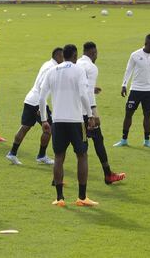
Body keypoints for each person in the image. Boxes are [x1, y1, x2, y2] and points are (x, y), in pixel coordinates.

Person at [39, 44, 98, 207]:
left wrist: (44, 119)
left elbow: (42, 97)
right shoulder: (78, 70)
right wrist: (90, 115)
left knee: (59, 157)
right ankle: (81, 197)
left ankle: (59, 198)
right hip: (75, 121)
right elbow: (83, 94)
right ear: (75, 55)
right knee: (82, 155)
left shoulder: (52, 71)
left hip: (57, 121)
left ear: (63, 55)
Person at [77, 42, 126, 184]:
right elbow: (86, 92)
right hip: (85, 112)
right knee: (98, 140)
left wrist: (92, 89)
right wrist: (93, 113)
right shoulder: (92, 67)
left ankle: (57, 179)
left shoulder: (78, 63)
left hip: (71, 111)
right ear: (93, 53)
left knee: (70, 142)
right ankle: (108, 174)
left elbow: (81, 87)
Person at [6, 48, 64, 165]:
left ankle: (12, 153)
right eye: (63, 57)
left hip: (30, 99)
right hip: (38, 102)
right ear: (58, 56)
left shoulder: (47, 64)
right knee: (49, 129)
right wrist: (41, 108)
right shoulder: (53, 68)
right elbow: (43, 87)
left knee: (24, 127)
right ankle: (41, 155)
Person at [113, 34, 150, 148]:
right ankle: (124, 139)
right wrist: (124, 85)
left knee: (147, 115)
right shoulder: (135, 55)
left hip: (149, 91)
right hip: (135, 89)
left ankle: (147, 140)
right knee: (128, 114)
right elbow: (128, 70)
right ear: (145, 44)